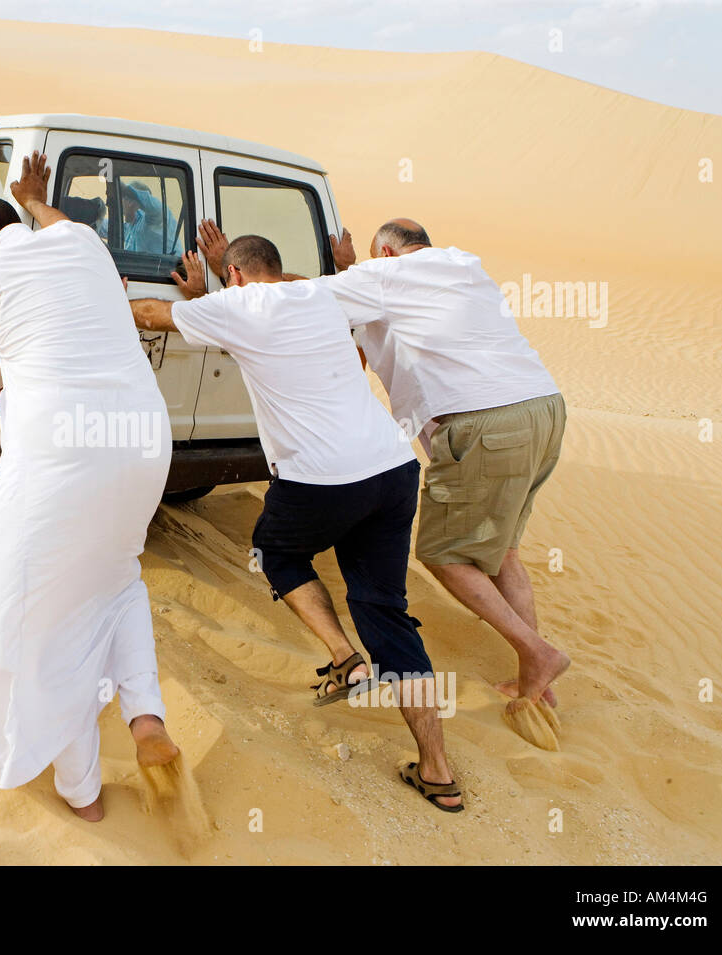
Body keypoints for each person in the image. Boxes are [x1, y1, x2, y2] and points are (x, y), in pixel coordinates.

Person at [132, 235, 465, 812]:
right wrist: (213, 291)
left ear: (233, 274)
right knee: (384, 609)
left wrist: (95, 291)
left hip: (321, 476)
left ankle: (343, 655)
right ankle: (437, 769)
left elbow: (150, 314)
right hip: (392, 466)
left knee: (277, 553)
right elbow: (276, 298)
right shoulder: (321, 294)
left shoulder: (234, 307)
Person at [0, 152, 180, 822]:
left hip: (60, 455)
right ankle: (144, 715)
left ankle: (80, 789)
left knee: (23, 621)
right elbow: (54, 221)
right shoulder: (81, 240)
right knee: (113, 579)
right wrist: (32, 194)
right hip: (143, 439)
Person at [323, 220, 570, 713]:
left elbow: (300, 300)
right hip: (543, 410)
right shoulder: (461, 265)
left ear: (388, 254)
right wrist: (352, 270)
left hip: (484, 424)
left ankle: (538, 654)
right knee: (504, 554)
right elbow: (381, 310)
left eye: (376, 261)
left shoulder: (390, 277)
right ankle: (534, 681)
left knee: (442, 553)